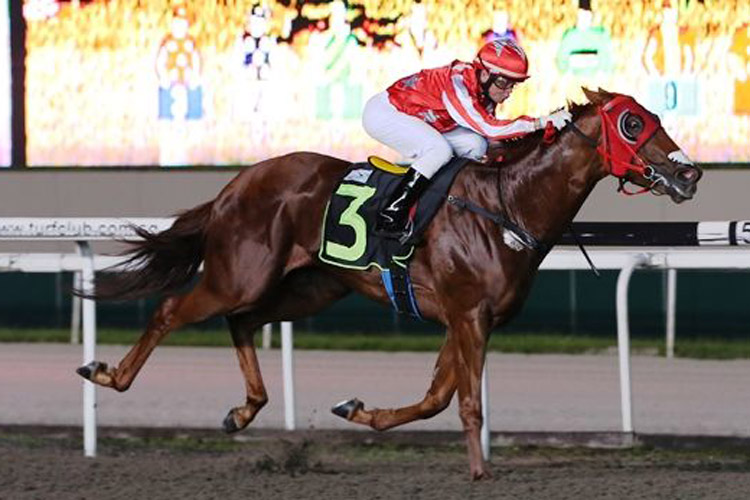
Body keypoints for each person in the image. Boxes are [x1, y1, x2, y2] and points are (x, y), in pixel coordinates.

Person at [362, 38, 572, 241]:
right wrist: (540, 122)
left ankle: (446, 206)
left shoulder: (485, 92)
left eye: (513, 85)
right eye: (503, 82)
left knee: (476, 145)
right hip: (384, 113)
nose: (508, 92)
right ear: (484, 74)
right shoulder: (458, 84)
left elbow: (490, 141)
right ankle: (391, 215)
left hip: (422, 120)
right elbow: (490, 129)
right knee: (439, 150)